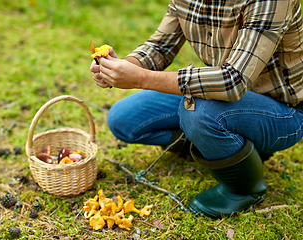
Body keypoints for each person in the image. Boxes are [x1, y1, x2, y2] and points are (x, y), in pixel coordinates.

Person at [90, 0, 303, 219]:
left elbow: (233, 81)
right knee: (124, 119)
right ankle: (223, 143)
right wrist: (121, 67)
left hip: (283, 111)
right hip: (220, 98)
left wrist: (141, 78)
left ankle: (244, 189)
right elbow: (160, 46)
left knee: (197, 110)